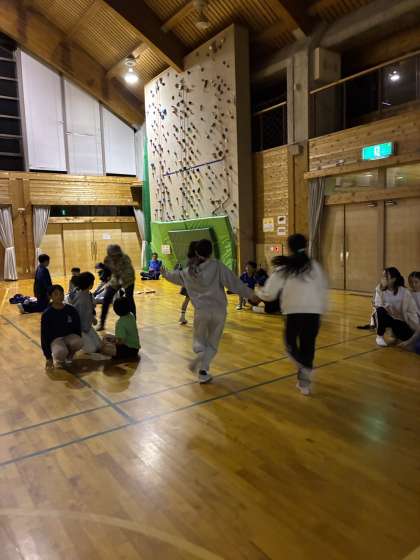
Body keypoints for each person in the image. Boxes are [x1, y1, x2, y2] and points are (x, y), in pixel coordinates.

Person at [162, 239, 259, 384]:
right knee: (212, 344)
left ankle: (200, 355)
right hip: (219, 311)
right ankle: (203, 371)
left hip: (201, 312)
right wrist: (251, 295)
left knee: (199, 341)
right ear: (210, 251)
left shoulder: (189, 271)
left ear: (196, 252)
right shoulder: (217, 266)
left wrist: (165, 273)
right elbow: (234, 283)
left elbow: (175, 276)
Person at [256, 234, 328, 396]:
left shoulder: (285, 268)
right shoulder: (315, 266)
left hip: (294, 314)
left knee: (290, 346)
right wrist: (323, 310)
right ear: (306, 245)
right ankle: (304, 383)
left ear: (289, 248)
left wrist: (258, 291)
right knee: (308, 347)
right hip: (314, 313)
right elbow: (323, 289)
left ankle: (305, 367)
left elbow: (269, 294)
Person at [374, 267, 418, 347]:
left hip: (400, 320)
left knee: (407, 337)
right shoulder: (379, 289)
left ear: (393, 279)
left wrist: (415, 326)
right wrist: (386, 307)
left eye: (386, 277)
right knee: (380, 310)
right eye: (382, 276)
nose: (383, 278)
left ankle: (396, 334)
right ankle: (379, 336)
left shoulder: (404, 292)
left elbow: (412, 311)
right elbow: (377, 306)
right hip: (387, 317)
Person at [68, 271, 111, 355]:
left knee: (99, 345)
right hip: (79, 329)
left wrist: (92, 318)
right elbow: (76, 316)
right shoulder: (81, 298)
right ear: (90, 285)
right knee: (92, 349)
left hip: (86, 327)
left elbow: (88, 312)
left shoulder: (88, 295)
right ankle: (71, 344)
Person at [41, 285, 83, 369]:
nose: (59, 296)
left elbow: (77, 327)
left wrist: (78, 337)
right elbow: (44, 336)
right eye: (56, 294)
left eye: (61, 293)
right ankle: (60, 359)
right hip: (55, 339)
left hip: (68, 336)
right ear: (50, 297)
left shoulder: (71, 309)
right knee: (60, 352)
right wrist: (48, 357)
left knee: (78, 342)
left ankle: (70, 355)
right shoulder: (47, 314)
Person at [97, 245, 136, 331]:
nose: (115, 257)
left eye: (117, 255)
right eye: (113, 255)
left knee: (129, 298)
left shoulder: (125, 258)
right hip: (116, 278)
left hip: (128, 278)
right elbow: (109, 271)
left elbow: (127, 272)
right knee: (107, 298)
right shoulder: (107, 259)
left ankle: (133, 322)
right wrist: (104, 270)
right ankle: (102, 323)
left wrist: (121, 282)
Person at [399, 271, 420, 353]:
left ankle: (409, 342)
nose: (413, 284)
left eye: (416, 282)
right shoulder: (408, 293)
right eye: (411, 282)